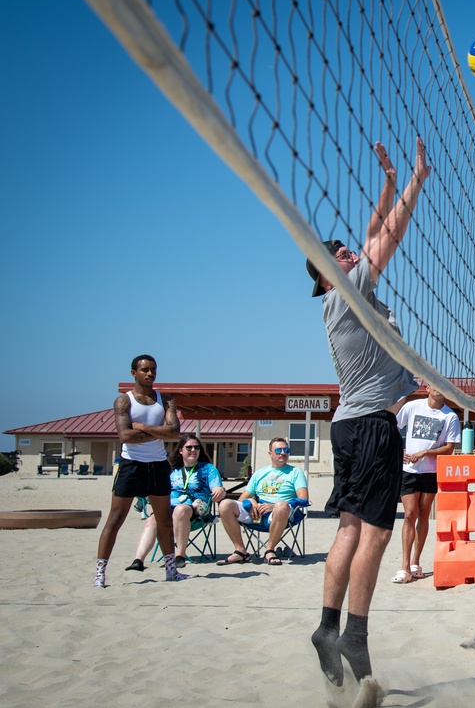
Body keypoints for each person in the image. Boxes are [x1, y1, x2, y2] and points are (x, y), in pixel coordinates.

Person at [308, 137, 429, 689]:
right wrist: (415, 179)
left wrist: (386, 182)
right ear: (326, 274)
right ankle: (355, 632)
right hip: (372, 429)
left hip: (349, 425)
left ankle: (328, 627)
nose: (350, 253)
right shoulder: (347, 293)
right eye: (338, 254)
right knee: (378, 534)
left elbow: (373, 235)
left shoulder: (348, 299)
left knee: (351, 529)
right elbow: (388, 236)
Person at [94, 354, 185, 588]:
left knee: (164, 520)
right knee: (115, 519)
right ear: (134, 373)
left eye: (153, 369)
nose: (150, 373)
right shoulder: (123, 401)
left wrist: (144, 427)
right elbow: (125, 436)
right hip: (131, 464)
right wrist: (159, 431)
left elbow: (175, 433)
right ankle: (100, 573)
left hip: (157, 464)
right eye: (145, 370)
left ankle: (171, 570)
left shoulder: (166, 400)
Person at [126, 434, 225, 571]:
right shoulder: (171, 469)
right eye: (188, 447)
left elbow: (217, 487)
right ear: (180, 450)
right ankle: (138, 560)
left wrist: (220, 490)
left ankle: (179, 556)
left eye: (196, 447)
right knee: (153, 519)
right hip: (169, 508)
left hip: (195, 511)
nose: (193, 450)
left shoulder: (207, 468)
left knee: (181, 510)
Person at [393, 385, 460, 583]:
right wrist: (399, 451)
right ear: (427, 387)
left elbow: (449, 448)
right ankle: (404, 566)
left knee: (423, 514)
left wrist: (425, 453)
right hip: (409, 470)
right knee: (408, 515)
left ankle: (415, 562)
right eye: (435, 384)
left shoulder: (450, 416)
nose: (439, 388)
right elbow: (393, 429)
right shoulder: (412, 407)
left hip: (430, 471)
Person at [216, 437, 308, 566]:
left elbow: (303, 499)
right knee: (225, 504)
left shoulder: (295, 472)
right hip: (256, 512)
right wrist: (251, 502)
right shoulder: (260, 473)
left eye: (286, 450)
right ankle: (240, 551)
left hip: (282, 513)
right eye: (278, 450)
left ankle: (269, 550)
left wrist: (273, 506)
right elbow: (243, 498)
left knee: (281, 506)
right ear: (270, 453)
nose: (283, 453)